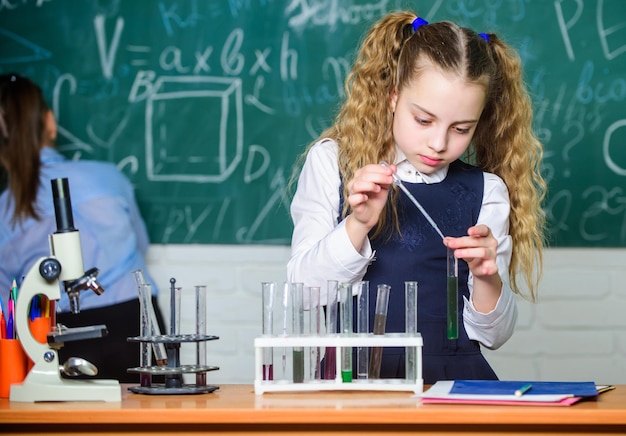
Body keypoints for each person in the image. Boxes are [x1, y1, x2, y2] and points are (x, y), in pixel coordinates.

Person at [287, 12, 546, 384]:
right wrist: (357, 225)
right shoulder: (332, 161)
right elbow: (302, 295)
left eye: (461, 129)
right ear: (393, 97)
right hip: (351, 380)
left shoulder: (487, 190)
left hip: (451, 383)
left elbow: (494, 336)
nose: (439, 144)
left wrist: (487, 277)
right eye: (423, 120)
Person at [0, 73, 164, 382]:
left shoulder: (3, 212)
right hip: (136, 321)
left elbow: (6, 306)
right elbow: (140, 245)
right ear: (49, 122)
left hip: (52, 332)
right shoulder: (108, 178)